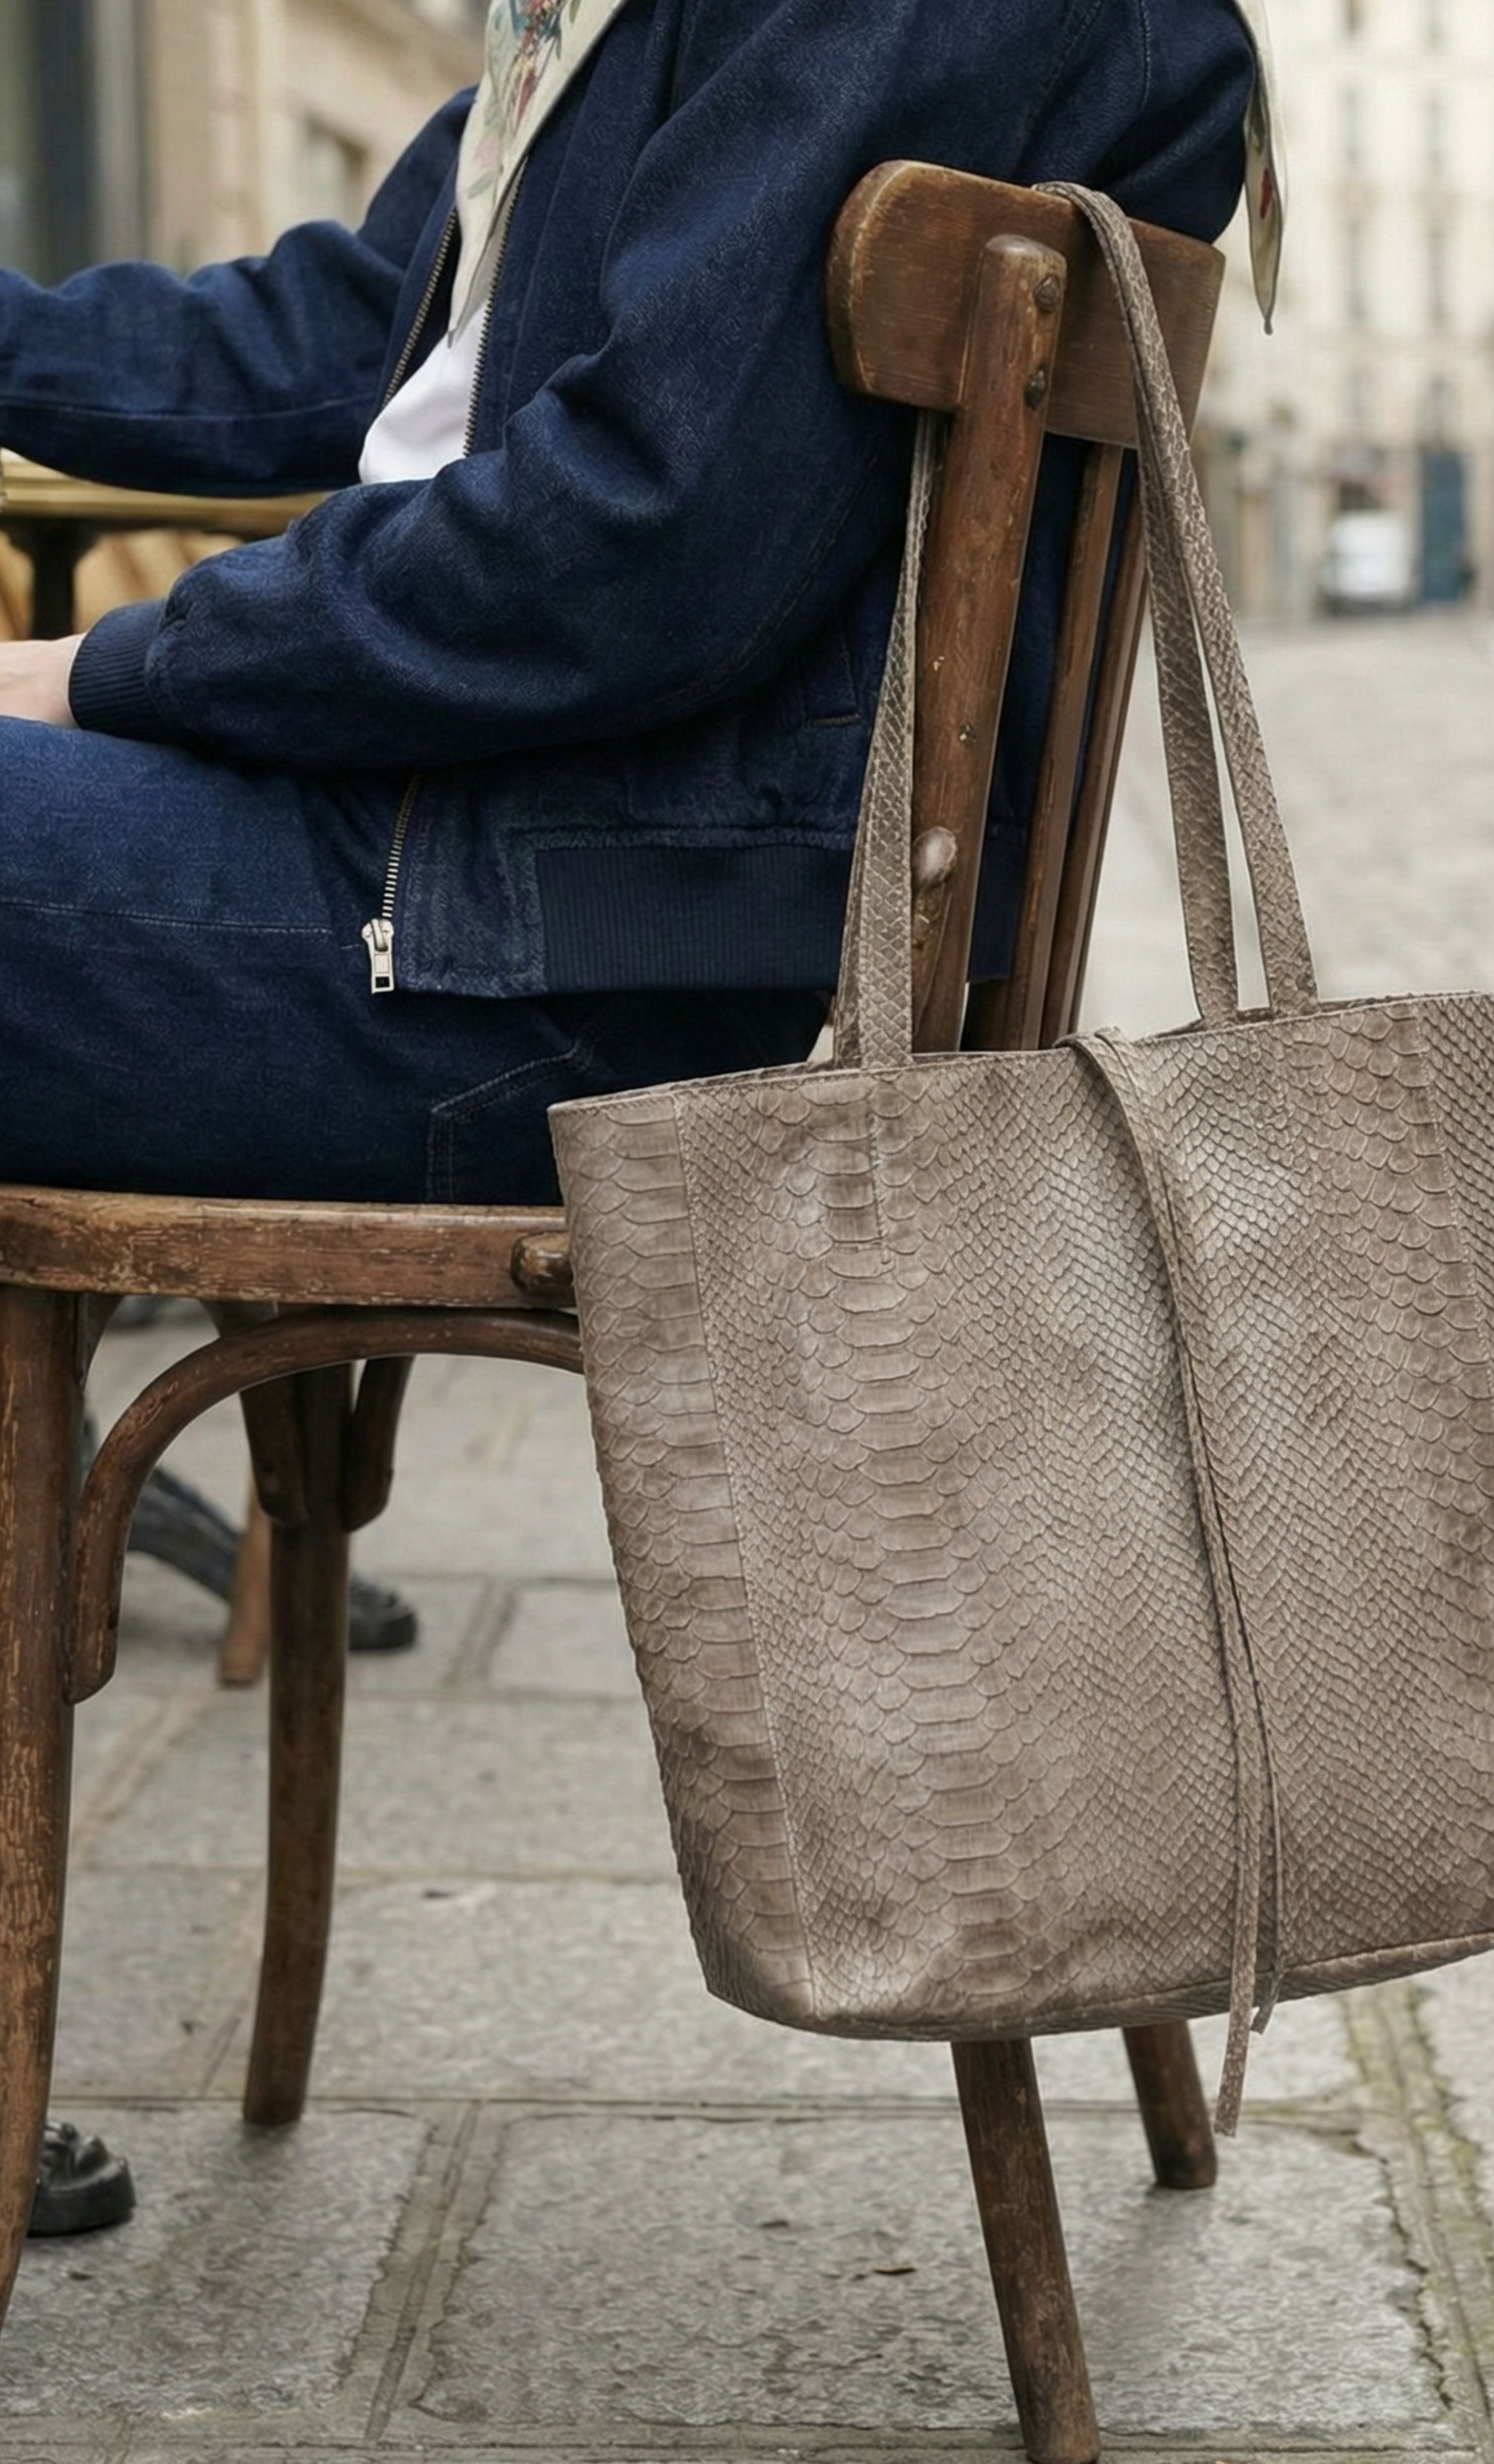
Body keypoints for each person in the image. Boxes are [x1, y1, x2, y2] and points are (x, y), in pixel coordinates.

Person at [0, 0, 1265, 2235]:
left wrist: (110, 664)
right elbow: (352, 345)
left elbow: (640, 537)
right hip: (502, 879)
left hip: (510, 935)